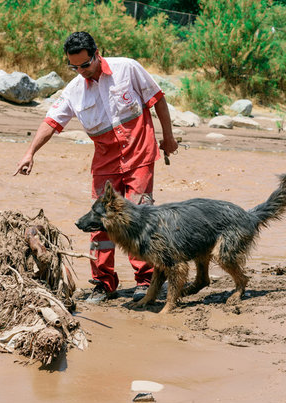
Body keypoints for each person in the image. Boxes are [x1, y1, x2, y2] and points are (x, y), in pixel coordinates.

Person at [14, 31, 178, 303]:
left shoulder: (128, 68)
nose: (80, 71)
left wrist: (169, 137)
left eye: (85, 65)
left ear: (97, 54)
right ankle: (104, 283)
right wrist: (30, 152)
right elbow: (52, 121)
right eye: (73, 67)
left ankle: (146, 281)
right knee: (100, 223)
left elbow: (157, 99)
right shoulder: (74, 90)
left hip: (139, 155)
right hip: (105, 163)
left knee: (139, 218)